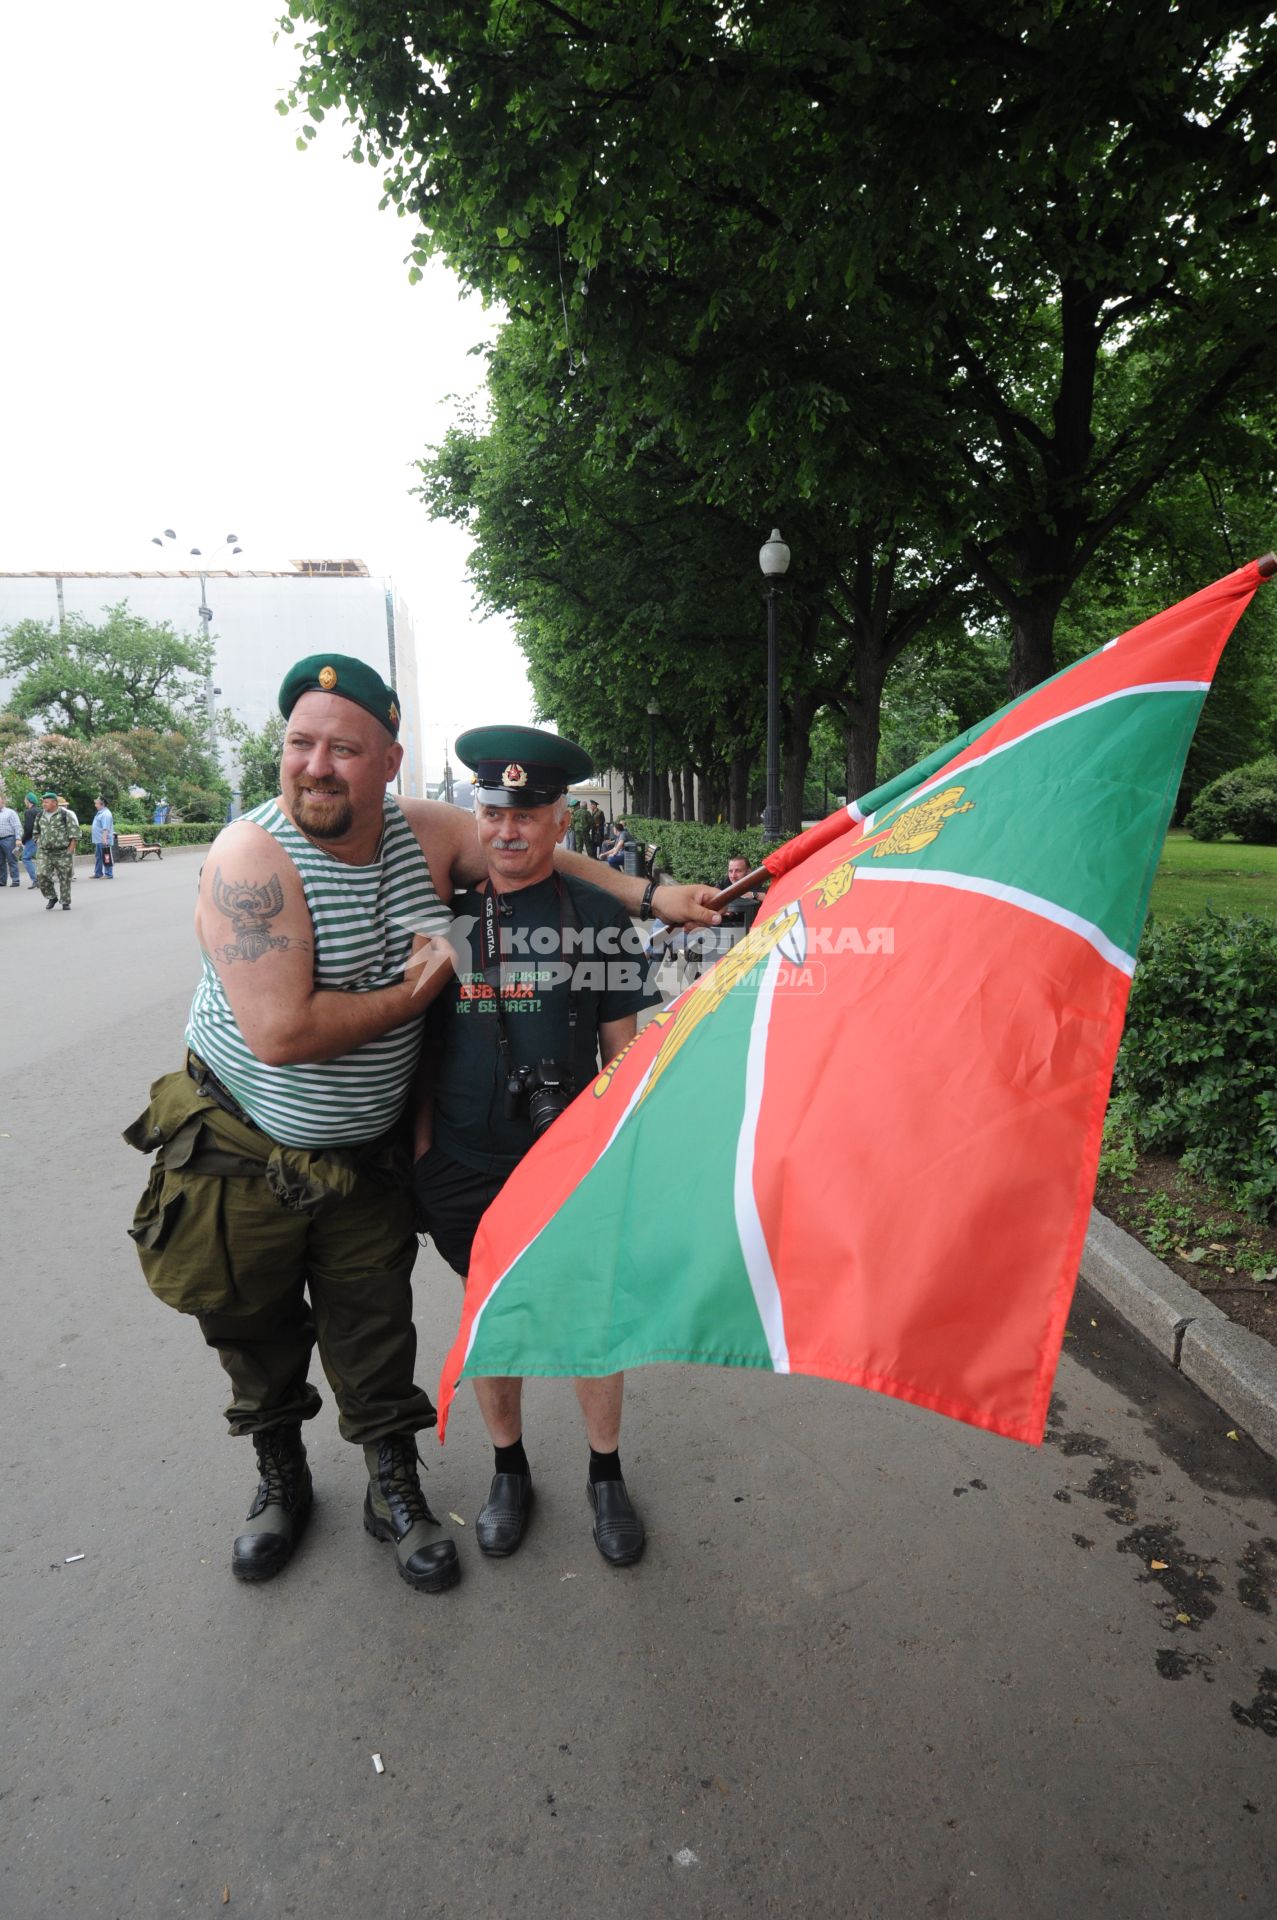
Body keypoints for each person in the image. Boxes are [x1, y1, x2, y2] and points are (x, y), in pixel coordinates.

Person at [124, 655, 721, 1596]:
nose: (317, 766)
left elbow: (533, 850)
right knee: (254, 1327)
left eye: (343, 749)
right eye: (300, 744)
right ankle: (281, 1479)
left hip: (370, 1157)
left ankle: (393, 1486)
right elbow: (281, 1032)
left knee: (376, 1331)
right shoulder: (253, 856)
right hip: (244, 1143)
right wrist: (422, 988)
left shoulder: (426, 831)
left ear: (388, 762)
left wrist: (648, 898)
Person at [413, 727, 660, 1567]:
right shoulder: (442, 910)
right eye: (490, 812)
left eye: (526, 815)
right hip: (461, 1162)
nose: (506, 831)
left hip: (565, 1164)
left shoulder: (596, 918)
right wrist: (422, 1159)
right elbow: (407, 1047)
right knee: (492, 1317)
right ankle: (508, 1469)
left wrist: (613, 1159)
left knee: (591, 1317)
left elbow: (621, 1054)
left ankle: (604, 1474)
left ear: (560, 821)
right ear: (474, 815)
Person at [34, 791, 77, 910]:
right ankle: (52, 897)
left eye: (46, 802)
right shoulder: (39, 815)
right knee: (41, 874)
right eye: (43, 802)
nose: (43, 804)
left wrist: (70, 849)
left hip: (62, 852)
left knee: (65, 877)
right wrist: (38, 842)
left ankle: (65, 901)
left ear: (54, 803)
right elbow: (36, 832)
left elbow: (74, 833)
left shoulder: (65, 814)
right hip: (44, 852)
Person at [91, 795, 116, 879]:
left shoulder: (106, 814)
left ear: (102, 804)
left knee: (106, 856)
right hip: (98, 840)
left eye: (96, 803)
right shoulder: (100, 812)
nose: (95, 805)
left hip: (103, 840)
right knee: (98, 857)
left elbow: (106, 828)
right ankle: (98, 873)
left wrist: (104, 839)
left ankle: (108, 874)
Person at [0, 797, 22, 890]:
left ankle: (15, 880)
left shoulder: (10, 812)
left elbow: (17, 826)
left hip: (9, 839)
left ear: (3, 801)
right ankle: (2, 880)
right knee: (0, 862)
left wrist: (18, 838)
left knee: (11, 860)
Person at [19, 793, 39, 888]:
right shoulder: (40, 810)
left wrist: (23, 839)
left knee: (26, 858)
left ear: (28, 800)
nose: (24, 801)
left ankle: (36, 879)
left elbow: (29, 828)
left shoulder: (29, 812)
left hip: (32, 838)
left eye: (25, 799)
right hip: (41, 838)